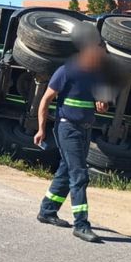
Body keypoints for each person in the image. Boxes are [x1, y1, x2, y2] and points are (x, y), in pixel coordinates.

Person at [33, 23, 109, 243]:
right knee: (79, 175)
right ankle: (81, 225)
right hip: (67, 129)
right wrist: (41, 128)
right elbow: (45, 100)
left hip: (85, 130)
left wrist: (102, 105)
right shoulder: (67, 71)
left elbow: (99, 102)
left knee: (66, 171)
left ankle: (47, 211)